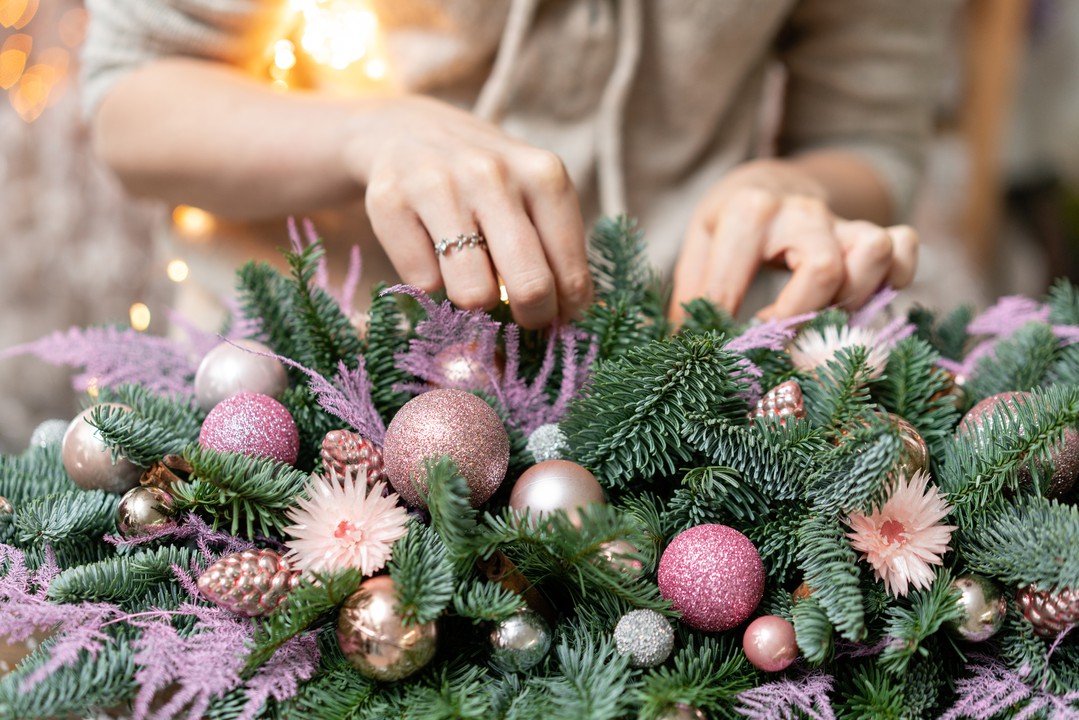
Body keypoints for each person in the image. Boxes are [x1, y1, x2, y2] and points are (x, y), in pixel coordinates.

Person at [81, 0, 956, 329]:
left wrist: (793, 189)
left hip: (682, 399)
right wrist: (366, 136)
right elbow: (131, 103)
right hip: (291, 394)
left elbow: (871, 137)